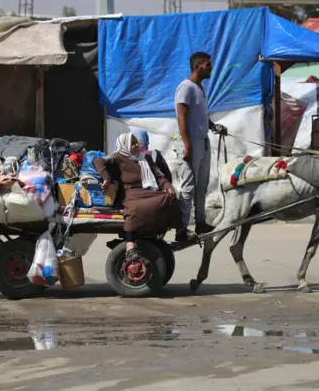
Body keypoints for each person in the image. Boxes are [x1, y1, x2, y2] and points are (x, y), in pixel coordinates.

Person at [94, 132, 183, 260]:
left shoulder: (145, 158)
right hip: (131, 193)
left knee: (170, 198)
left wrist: (168, 187)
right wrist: (106, 179)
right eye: (133, 143)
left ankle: (181, 232)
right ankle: (130, 245)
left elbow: (158, 175)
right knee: (135, 208)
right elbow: (99, 161)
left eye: (137, 142)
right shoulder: (117, 158)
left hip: (149, 190)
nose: (137, 145)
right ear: (125, 145)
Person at [174, 51, 228, 242]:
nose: (210, 68)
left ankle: (201, 222)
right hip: (191, 142)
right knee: (188, 188)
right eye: (208, 65)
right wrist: (187, 144)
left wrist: (214, 126)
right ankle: (181, 230)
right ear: (198, 66)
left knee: (202, 186)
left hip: (202, 140)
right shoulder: (185, 87)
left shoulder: (200, 88)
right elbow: (182, 116)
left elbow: (201, 116)